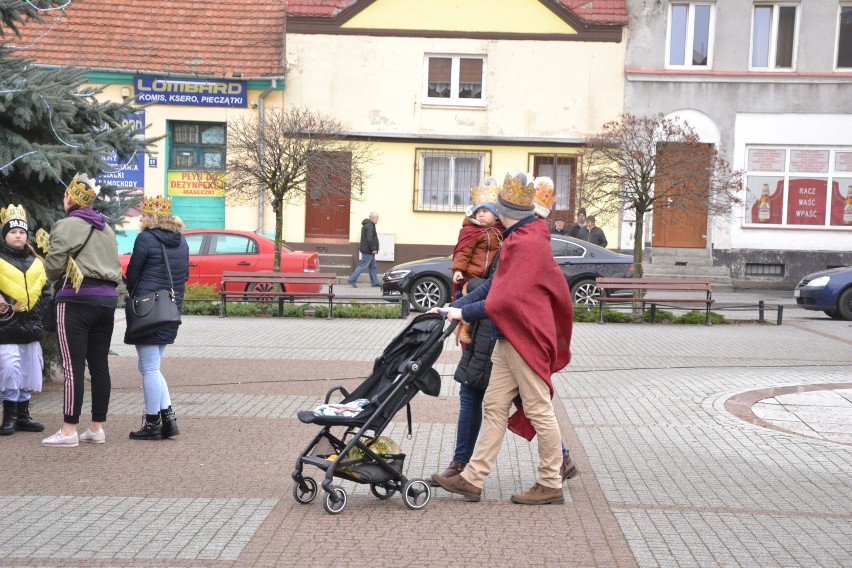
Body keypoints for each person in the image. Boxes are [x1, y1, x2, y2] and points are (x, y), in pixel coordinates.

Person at [432, 171, 573, 505]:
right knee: (494, 405)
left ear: (506, 211)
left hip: (525, 337)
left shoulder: (526, 242)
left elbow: (503, 299)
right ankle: (472, 478)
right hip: (507, 337)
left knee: (539, 409)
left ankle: (551, 482)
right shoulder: (519, 236)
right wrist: (454, 305)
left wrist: (462, 313)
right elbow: (494, 287)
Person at [41, 173, 122, 447]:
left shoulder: (66, 225)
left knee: (73, 367)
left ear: (70, 199)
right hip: (107, 301)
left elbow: (53, 267)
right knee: (99, 365)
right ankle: (97, 428)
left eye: (65, 197)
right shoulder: (107, 229)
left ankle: (68, 431)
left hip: (76, 300)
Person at [124, 195, 189, 440]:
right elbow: (183, 277)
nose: (140, 217)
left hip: (147, 310)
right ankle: (168, 418)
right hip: (170, 310)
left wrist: (133, 293)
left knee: (149, 368)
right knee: (151, 366)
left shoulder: (145, 238)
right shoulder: (181, 241)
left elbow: (132, 274)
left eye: (143, 213)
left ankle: (152, 423)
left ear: (153, 216)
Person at [0, 204, 47, 436]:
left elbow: (46, 291)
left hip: (31, 327)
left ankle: (23, 414)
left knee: (28, 370)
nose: (18, 235)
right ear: (5, 235)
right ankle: (9, 415)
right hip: (6, 327)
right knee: (10, 368)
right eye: (12, 232)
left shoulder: (36, 261)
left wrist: (42, 313)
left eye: (21, 232)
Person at [347, 212, 380, 287]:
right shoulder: (369, 226)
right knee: (363, 265)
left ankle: (375, 282)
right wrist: (374, 248)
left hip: (368, 249)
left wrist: (376, 247)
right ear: (373, 218)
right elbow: (370, 238)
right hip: (368, 250)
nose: (377, 220)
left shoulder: (369, 225)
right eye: (377, 218)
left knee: (373, 266)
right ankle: (352, 279)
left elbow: (372, 238)